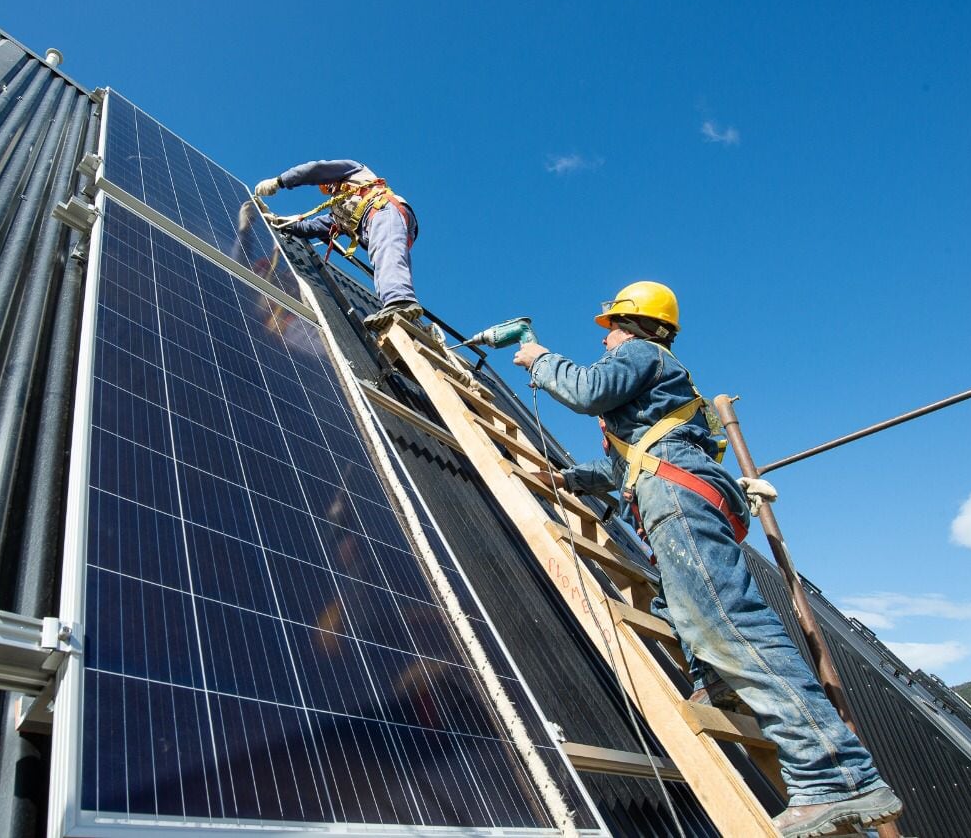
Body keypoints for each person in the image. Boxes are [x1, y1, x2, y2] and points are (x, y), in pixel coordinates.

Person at [512, 281, 903, 838]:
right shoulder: (654, 387)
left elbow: (589, 392)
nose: (607, 340)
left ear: (638, 325)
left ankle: (835, 777)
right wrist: (571, 478)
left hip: (674, 492)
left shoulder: (641, 354)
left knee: (727, 622)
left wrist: (538, 357)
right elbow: (625, 466)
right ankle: (716, 680)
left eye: (612, 327)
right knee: (697, 614)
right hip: (671, 487)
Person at [254, 161, 420, 329]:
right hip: (383, 223)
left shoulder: (354, 170)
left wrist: (280, 181)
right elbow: (311, 228)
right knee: (384, 258)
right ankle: (406, 315)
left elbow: (314, 169)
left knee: (386, 252)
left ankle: (399, 301)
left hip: (382, 210)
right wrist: (273, 219)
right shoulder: (338, 212)